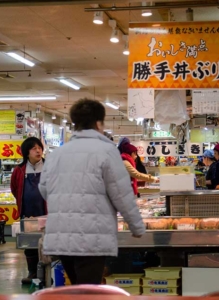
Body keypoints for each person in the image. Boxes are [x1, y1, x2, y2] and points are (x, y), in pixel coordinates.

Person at [39, 98, 145, 285]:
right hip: (92, 237)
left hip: (62, 236)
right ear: (98, 123)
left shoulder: (57, 155)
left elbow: (44, 189)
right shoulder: (106, 151)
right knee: (89, 291)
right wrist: (136, 226)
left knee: (78, 289)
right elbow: (122, 194)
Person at [10, 137, 47, 284]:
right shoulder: (19, 170)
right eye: (34, 148)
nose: (38, 150)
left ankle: (46, 273)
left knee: (47, 244)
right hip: (28, 212)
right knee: (30, 244)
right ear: (26, 152)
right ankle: (32, 272)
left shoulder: (49, 166)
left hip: (47, 212)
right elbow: (14, 189)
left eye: (39, 147)